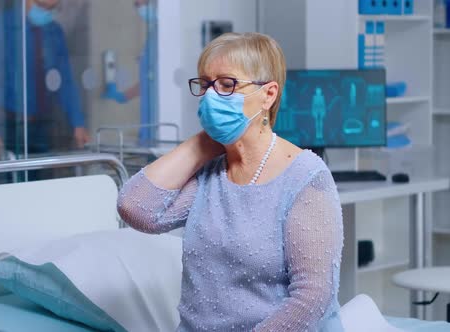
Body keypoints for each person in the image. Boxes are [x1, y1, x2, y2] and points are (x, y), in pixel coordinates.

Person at [117, 32, 344, 331]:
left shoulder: (305, 177)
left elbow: (313, 297)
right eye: (206, 85)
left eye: (227, 85)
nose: (211, 96)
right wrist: (202, 143)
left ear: (268, 94)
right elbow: (137, 210)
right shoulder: (212, 172)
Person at [0, 0, 90, 165]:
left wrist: (78, 123)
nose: (47, 12)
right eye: (43, 6)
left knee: (41, 184)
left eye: (53, 8)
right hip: (8, 127)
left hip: (43, 124)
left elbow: (65, 82)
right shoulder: (1, 27)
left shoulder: (54, 32)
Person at [103, 0, 157, 144]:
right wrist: (124, 96)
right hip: (149, 120)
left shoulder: (164, 36)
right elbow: (149, 80)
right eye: (137, 5)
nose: (141, 9)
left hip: (161, 118)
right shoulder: (152, 34)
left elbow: (160, 80)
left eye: (144, 3)